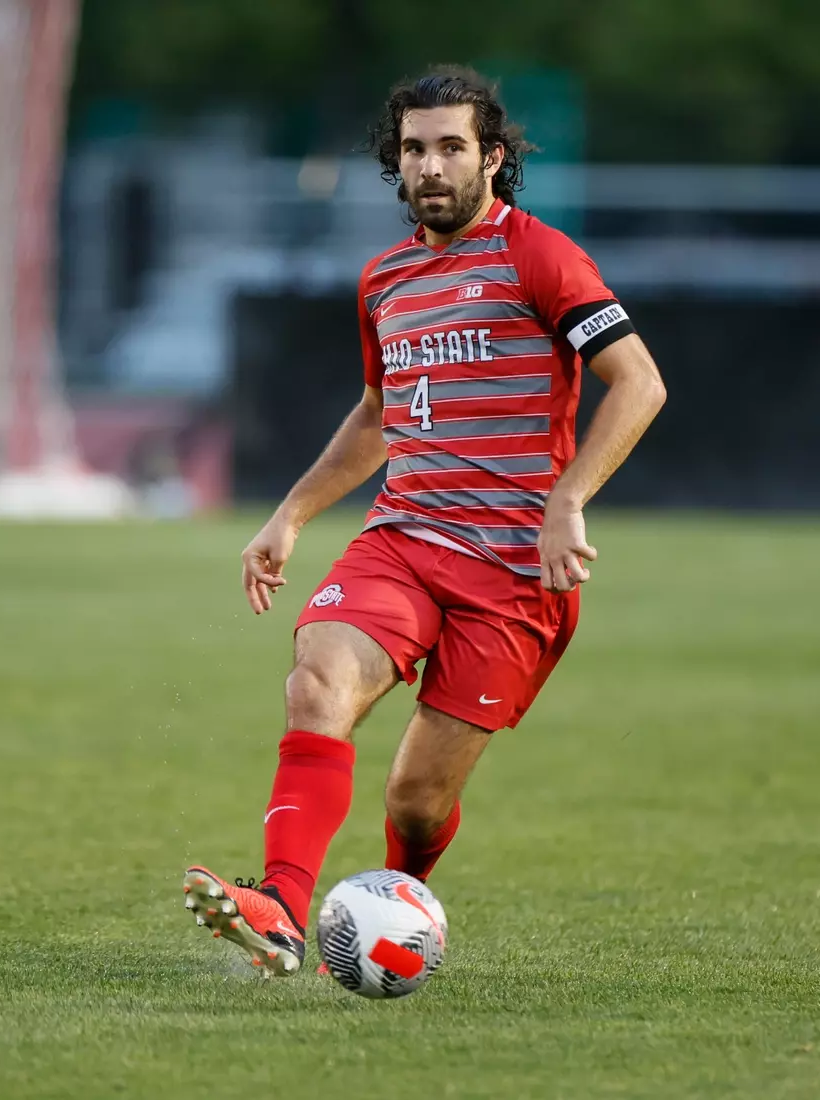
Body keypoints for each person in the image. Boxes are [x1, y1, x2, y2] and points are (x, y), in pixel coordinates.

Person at [182, 66, 666, 976]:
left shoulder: (540, 257)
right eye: (414, 149)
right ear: (394, 162)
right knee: (317, 679)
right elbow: (377, 417)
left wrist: (567, 499)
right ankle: (283, 905)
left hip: (514, 576)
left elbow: (640, 381)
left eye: (452, 148)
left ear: (492, 159)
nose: (431, 166)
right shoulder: (385, 279)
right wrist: (291, 514)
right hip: (404, 538)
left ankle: (400, 907)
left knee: (414, 800)